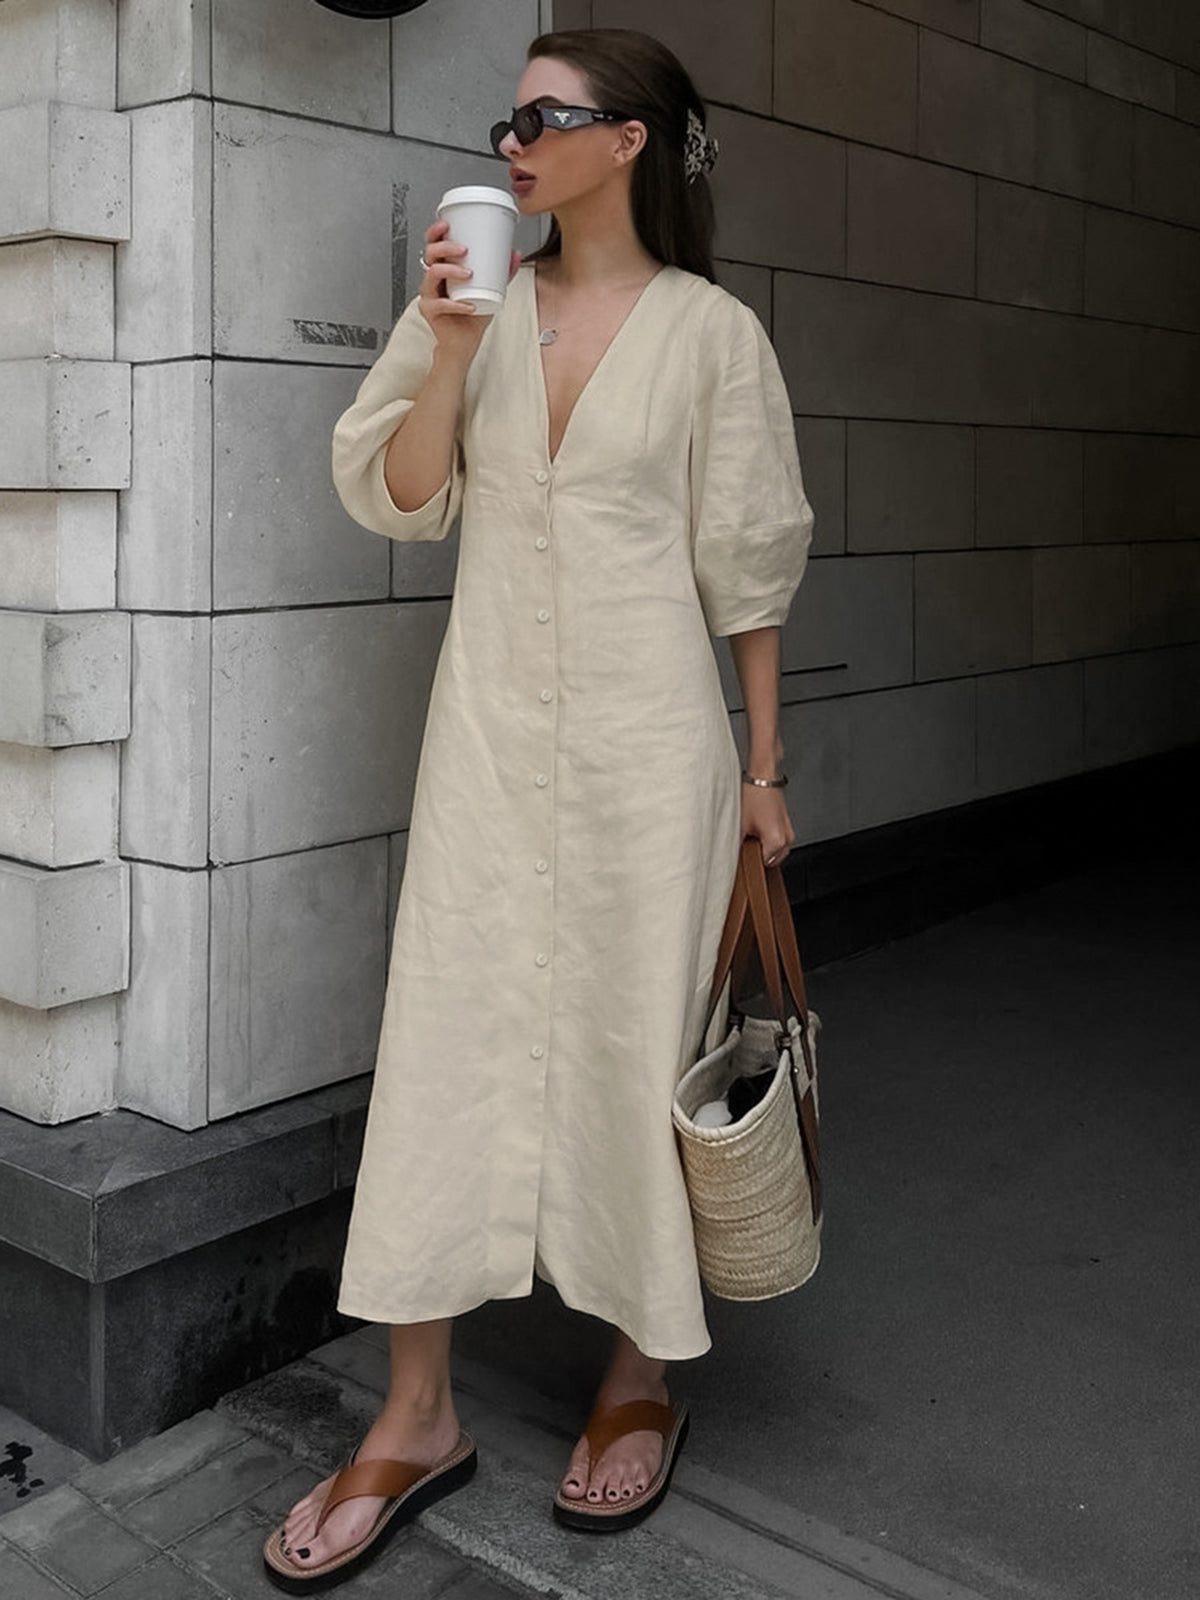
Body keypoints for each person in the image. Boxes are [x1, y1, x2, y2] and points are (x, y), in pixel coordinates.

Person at [263, 26, 813, 1593]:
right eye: (503, 121)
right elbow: (403, 497)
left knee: (644, 1039)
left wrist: (765, 774)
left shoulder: (712, 333)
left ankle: (641, 1370)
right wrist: (448, 346)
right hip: (491, 743)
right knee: (450, 1038)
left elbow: (748, 566)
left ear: (628, 141)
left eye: (542, 118)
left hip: (655, 753)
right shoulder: (470, 300)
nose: (509, 145)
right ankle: (416, 1413)